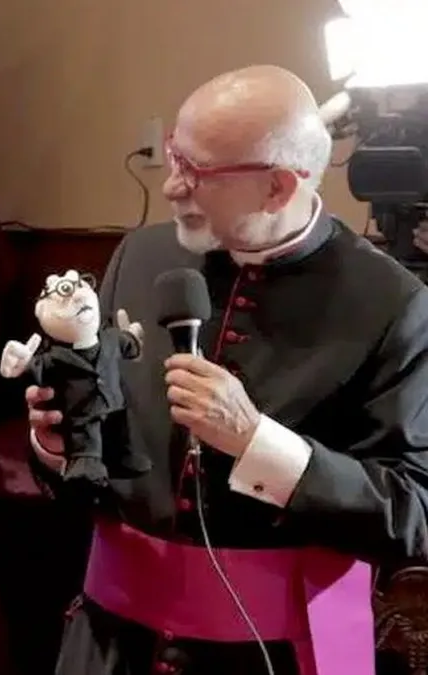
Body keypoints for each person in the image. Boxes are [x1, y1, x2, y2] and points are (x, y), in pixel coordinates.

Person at [21, 65, 428, 675]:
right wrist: (58, 444)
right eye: (174, 156)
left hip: (272, 655)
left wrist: (257, 442)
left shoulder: (392, 303)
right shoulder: (140, 254)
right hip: (112, 643)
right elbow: (103, 447)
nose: (172, 186)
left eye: (199, 172)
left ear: (279, 187)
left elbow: (412, 513)